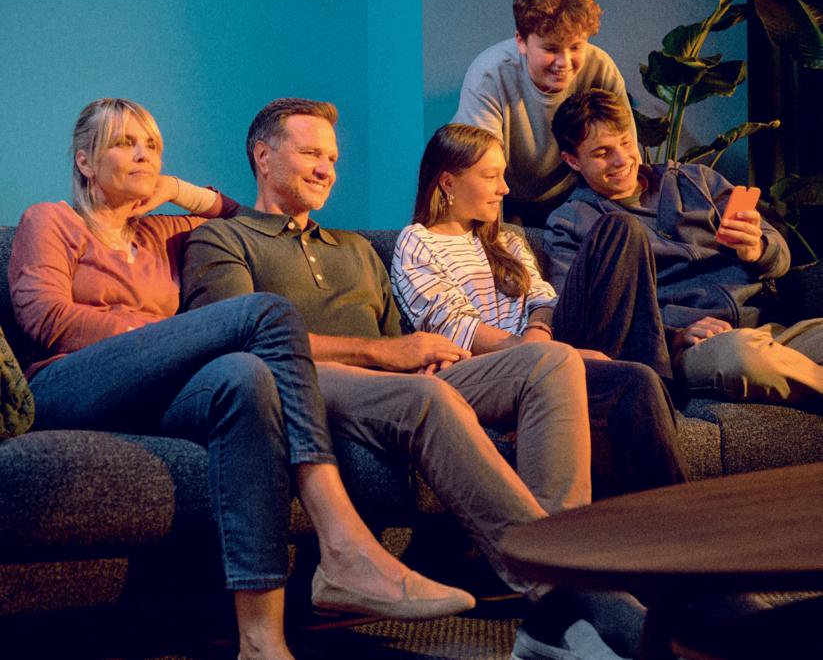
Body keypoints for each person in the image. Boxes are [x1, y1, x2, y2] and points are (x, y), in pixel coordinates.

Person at [8, 98, 473, 660]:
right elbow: (46, 318)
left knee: (245, 374)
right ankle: (344, 544)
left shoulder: (164, 233)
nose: (144, 155)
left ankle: (260, 641)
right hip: (68, 384)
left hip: (151, 391)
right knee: (268, 312)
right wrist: (167, 336)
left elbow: (236, 213)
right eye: (124, 143)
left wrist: (175, 188)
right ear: (85, 161)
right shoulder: (51, 220)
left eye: (152, 146)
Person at [181, 96, 596, 608]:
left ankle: (565, 555)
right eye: (311, 154)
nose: (326, 169)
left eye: (332, 158)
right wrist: (386, 356)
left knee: (551, 362)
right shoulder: (222, 239)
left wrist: (425, 355)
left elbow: (398, 339)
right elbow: (234, 341)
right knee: (425, 397)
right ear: (263, 157)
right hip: (303, 381)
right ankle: (560, 592)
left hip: (395, 383)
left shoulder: (355, 249)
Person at [390, 124, 689, 660]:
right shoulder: (418, 242)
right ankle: (687, 566)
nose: (505, 188)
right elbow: (454, 328)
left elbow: (543, 299)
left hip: (545, 352)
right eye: (491, 176)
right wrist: (539, 353)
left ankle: (676, 562)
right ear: (448, 183)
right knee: (635, 383)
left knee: (620, 230)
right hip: (496, 371)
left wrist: (542, 338)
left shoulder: (506, 240)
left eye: (503, 175)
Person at [543, 88, 823, 405]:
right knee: (745, 358)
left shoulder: (697, 179)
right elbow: (583, 319)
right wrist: (673, 335)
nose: (622, 159)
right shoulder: (571, 224)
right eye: (602, 153)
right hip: (696, 348)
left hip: (770, 329)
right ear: (573, 160)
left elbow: (781, 259)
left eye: (625, 142)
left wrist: (756, 249)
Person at [454, 0, 634, 226]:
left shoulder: (601, 68)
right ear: (521, 41)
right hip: (504, 196)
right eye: (551, 49)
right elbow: (481, 173)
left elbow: (627, 152)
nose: (564, 62)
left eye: (575, 47)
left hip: (572, 197)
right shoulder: (489, 75)